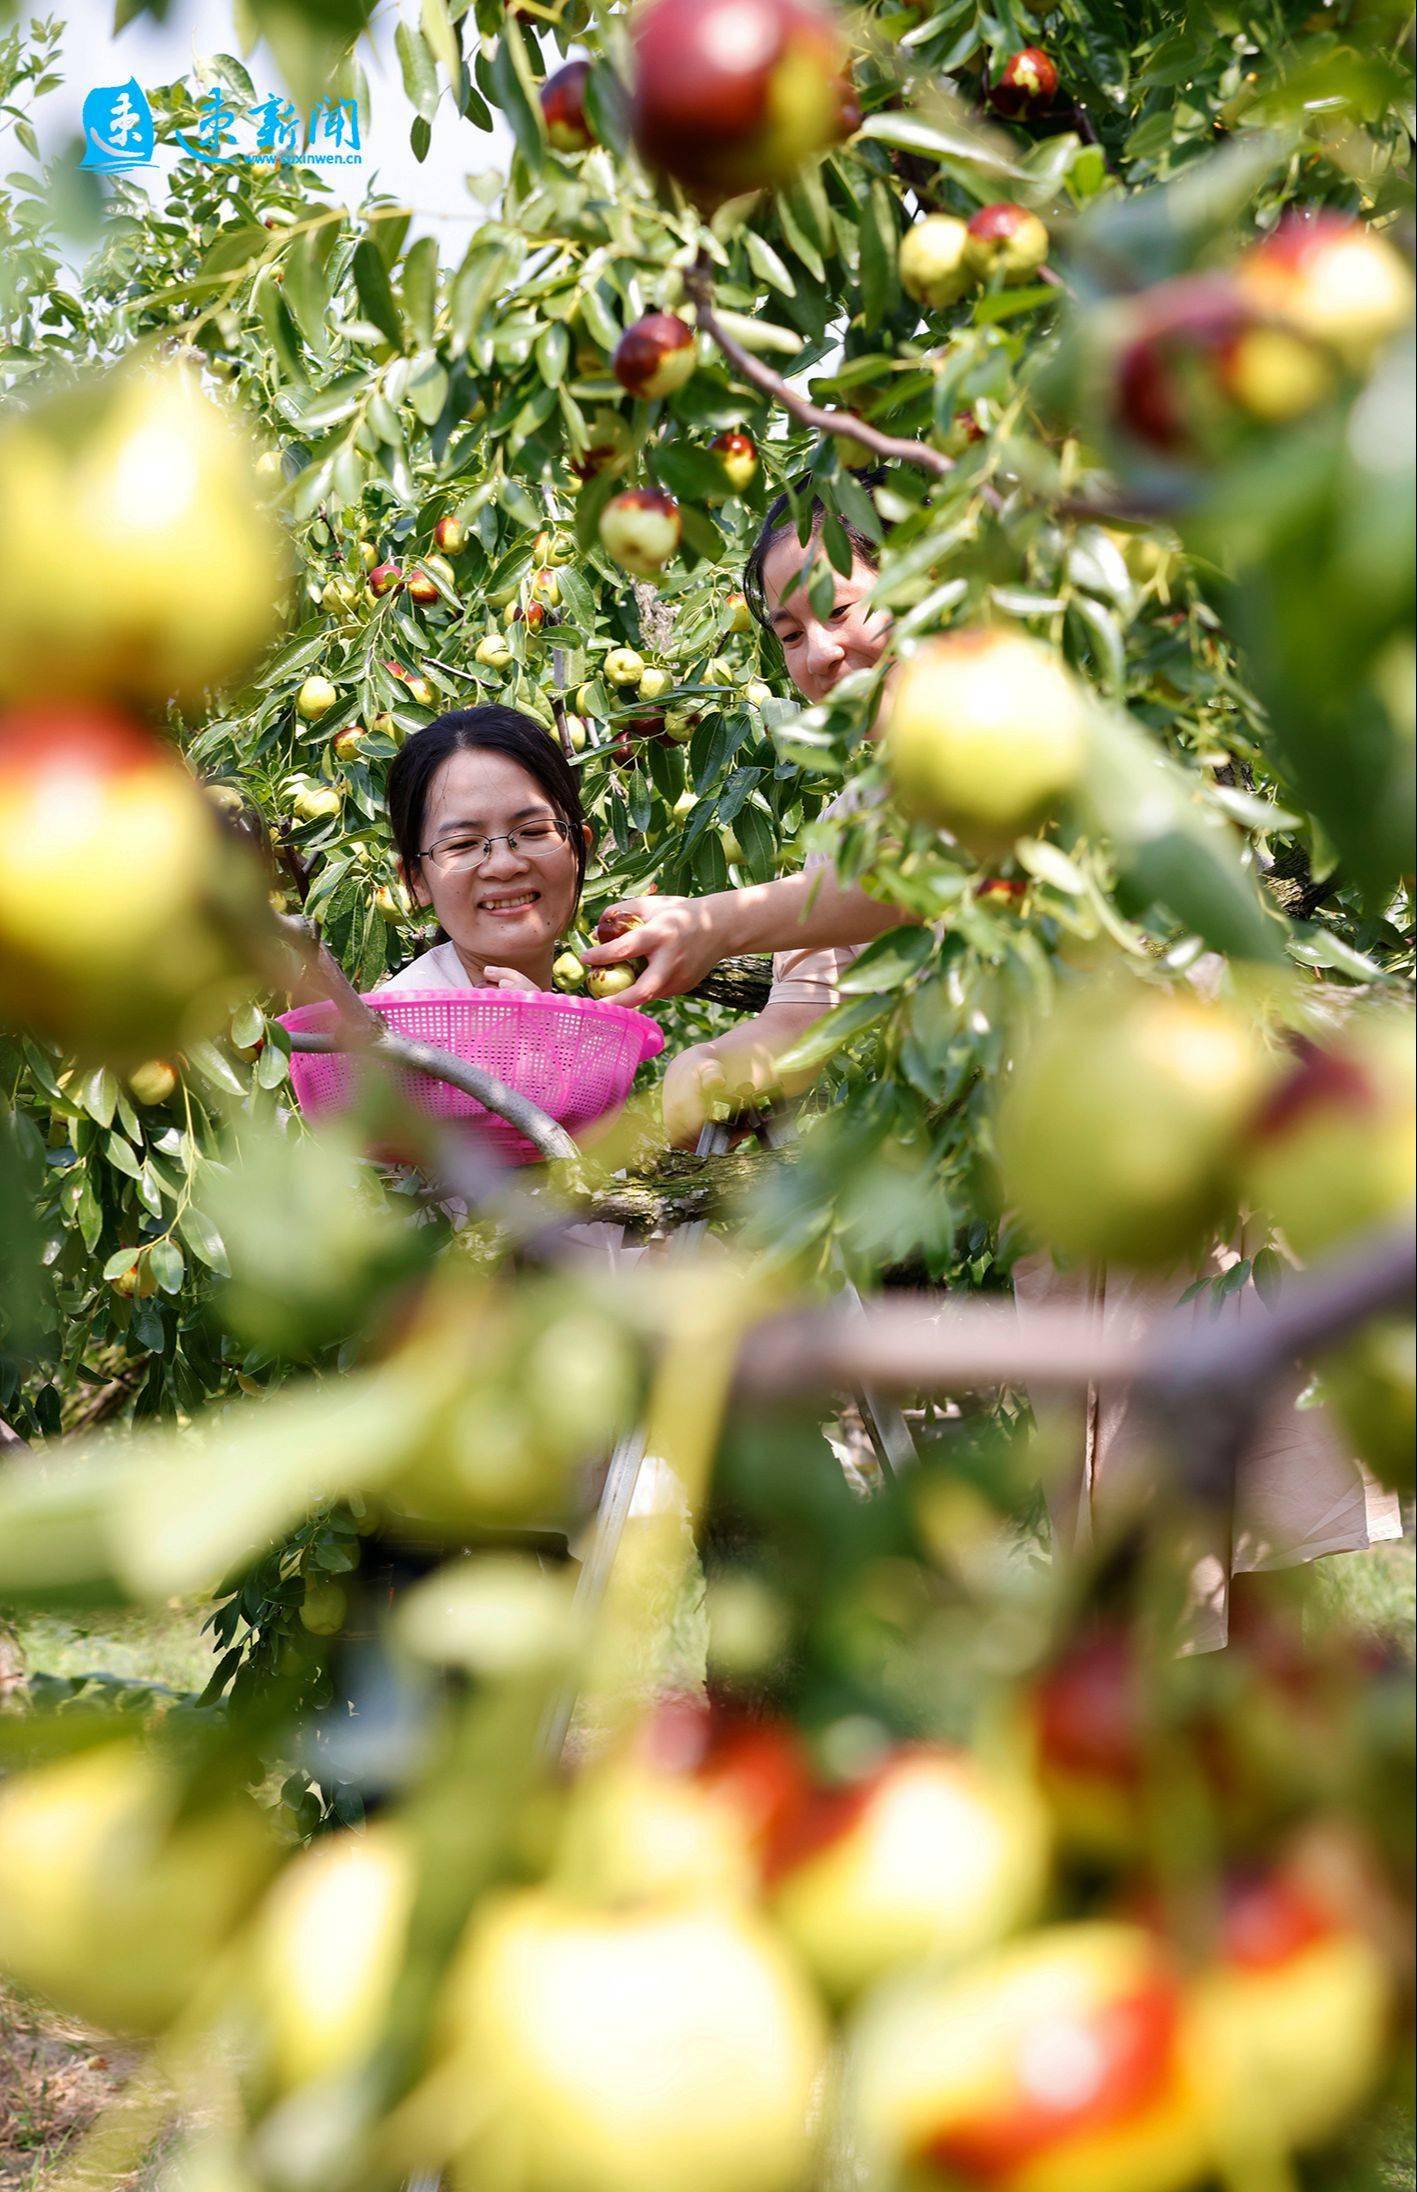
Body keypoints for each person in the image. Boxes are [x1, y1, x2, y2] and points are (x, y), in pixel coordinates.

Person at [579, 481, 1403, 1647]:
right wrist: (683, 1065)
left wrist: (720, 916)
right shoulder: (855, 808)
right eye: (788, 633)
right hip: (1075, 1187)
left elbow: (943, 864)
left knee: (1231, 1498)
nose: (818, 651)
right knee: (1147, 1541)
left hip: (1179, 1125)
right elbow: (811, 1012)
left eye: (838, 608)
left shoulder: (1004, 703)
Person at [378, 704, 592, 998]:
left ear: (580, 850)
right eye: (463, 844)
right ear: (416, 880)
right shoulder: (390, 1030)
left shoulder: (594, 1028)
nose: (504, 865)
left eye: (533, 831)